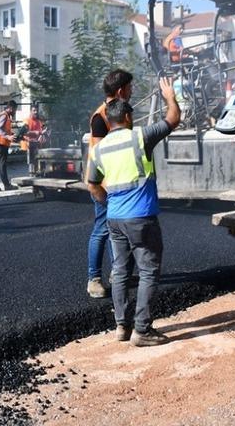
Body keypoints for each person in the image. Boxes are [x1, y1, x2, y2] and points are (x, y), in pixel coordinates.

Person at [87, 74, 181, 347]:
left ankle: (121, 326)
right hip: (141, 217)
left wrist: (110, 203)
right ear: (127, 118)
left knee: (120, 271)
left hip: (115, 219)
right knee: (149, 271)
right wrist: (169, 97)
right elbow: (173, 119)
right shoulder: (140, 137)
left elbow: (92, 185)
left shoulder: (100, 149)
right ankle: (142, 329)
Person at [85, 71, 129, 299]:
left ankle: (117, 273)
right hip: (102, 183)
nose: (132, 92)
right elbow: (100, 153)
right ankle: (93, 279)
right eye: (130, 88)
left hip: (118, 181)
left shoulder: (122, 112)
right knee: (102, 229)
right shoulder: (100, 117)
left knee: (116, 230)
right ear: (121, 90)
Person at [0, 100, 18, 192]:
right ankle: (7, 185)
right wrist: (8, 136)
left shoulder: (5, 116)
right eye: (15, 109)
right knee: (2, 165)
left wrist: (11, 134)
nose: (15, 111)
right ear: (11, 108)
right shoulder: (4, 115)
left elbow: (3, 129)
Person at [20, 104, 47, 174]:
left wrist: (42, 134)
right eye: (34, 110)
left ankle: (37, 174)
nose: (35, 112)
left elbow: (41, 131)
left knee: (37, 160)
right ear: (30, 111)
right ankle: (31, 174)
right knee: (31, 161)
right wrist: (36, 132)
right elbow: (24, 132)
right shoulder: (27, 121)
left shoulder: (38, 121)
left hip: (37, 143)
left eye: (36, 110)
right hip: (29, 143)